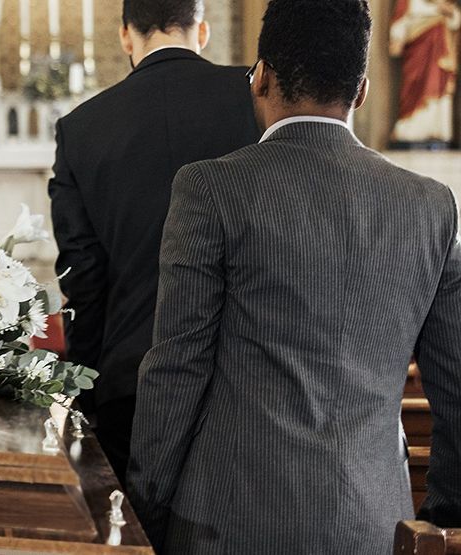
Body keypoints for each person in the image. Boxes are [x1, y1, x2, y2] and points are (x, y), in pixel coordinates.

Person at [128, 0, 461, 552]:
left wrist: (146, 507)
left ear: (260, 78)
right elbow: (454, 386)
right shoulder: (430, 205)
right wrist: (441, 517)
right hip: (373, 525)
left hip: (227, 525)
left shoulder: (211, 189)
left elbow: (176, 369)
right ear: (361, 91)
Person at [48, 0, 259, 484]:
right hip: (244, 372)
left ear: (126, 36)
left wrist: (87, 389)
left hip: (131, 377)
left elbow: (83, 277)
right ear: (201, 30)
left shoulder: (81, 128)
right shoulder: (256, 96)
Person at [389, 0, 460, 146]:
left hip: (441, 45)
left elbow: (456, 20)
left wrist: (450, 12)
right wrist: (397, 36)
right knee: (415, 83)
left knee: (438, 85)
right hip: (418, 43)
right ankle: (409, 129)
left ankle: (437, 130)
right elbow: (403, 12)